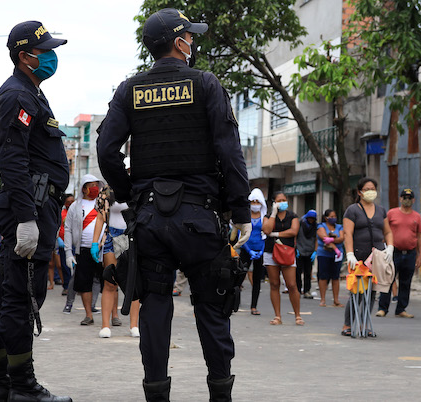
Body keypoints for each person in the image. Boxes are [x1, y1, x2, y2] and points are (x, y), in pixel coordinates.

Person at [96, 9, 251, 399]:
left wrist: (132, 192)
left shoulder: (130, 89)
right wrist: (242, 210)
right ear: (180, 42)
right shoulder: (206, 84)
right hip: (201, 217)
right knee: (212, 307)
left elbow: (106, 150)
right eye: (190, 37)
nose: (193, 43)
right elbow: (229, 152)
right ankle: (220, 394)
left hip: (150, 219)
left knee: (154, 307)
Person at [0, 21, 71, 401]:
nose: (50, 56)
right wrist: (28, 219)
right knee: (20, 297)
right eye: (44, 50)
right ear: (24, 56)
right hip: (29, 206)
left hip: (33, 204)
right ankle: (22, 387)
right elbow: (13, 161)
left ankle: (0, 384)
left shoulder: (30, 92)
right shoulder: (18, 95)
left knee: (4, 294)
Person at [341, 177, 393, 336]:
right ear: (360, 192)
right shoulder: (353, 210)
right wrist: (349, 254)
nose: (370, 192)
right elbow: (347, 233)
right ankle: (347, 325)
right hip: (358, 256)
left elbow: (388, 231)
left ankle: (365, 324)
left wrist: (390, 247)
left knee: (371, 293)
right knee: (357, 292)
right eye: (367, 189)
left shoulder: (381, 210)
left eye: (373, 189)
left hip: (376, 256)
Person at [91, 187, 141, 338]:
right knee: (110, 282)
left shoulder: (139, 186)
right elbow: (100, 218)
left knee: (134, 282)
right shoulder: (106, 190)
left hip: (132, 236)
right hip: (112, 236)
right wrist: (95, 242)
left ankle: (134, 325)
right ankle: (105, 325)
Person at [62, 174, 106, 324]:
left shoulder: (103, 203)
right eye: (91, 185)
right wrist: (68, 252)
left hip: (104, 249)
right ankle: (89, 315)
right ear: (84, 188)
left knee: (108, 283)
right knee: (84, 282)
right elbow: (67, 229)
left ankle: (114, 316)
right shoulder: (75, 206)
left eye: (96, 185)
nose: (94, 188)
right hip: (83, 250)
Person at [377, 188, 421, 318]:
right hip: (393, 252)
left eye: (409, 198)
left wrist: (420, 255)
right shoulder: (392, 213)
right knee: (387, 280)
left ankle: (401, 309)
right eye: (404, 197)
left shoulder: (417, 216)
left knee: (405, 282)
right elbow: (384, 231)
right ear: (400, 198)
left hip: (410, 253)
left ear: (413, 200)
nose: (407, 200)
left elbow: (420, 236)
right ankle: (383, 308)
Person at [261, 191, 302, 325]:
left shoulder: (292, 216)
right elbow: (266, 230)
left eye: (284, 200)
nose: (282, 202)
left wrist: (277, 233)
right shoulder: (268, 216)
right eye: (279, 200)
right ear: (274, 203)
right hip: (271, 252)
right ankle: (277, 316)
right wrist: (273, 213)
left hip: (287, 252)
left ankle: (297, 315)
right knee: (274, 284)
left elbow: (293, 231)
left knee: (291, 284)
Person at [242, 189, 267, 315]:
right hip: (246, 248)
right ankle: (233, 303)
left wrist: (261, 250)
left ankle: (253, 306)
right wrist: (248, 250)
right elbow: (242, 234)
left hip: (259, 250)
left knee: (257, 279)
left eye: (258, 202)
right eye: (253, 201)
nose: (255, 204)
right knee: (239, 276)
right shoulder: (245, 215)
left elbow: (265, 235)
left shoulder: (264, 217)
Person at [316, 209, 344, 307]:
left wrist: (331, 239)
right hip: (324, 254)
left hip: (337, 255)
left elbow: (341, 238)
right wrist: (335, 245)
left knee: (335, 277)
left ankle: (336, 300)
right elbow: (324, 238)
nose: (333, 218)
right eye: (331, 216)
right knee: (323, 276)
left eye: (334, 216)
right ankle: (322, 299)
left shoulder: (339, 227)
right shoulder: (321, 226)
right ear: (326, 218)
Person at [295, 210, 318, 298]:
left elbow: (316, 239)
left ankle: (306, 290)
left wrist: (315, 251)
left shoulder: (315, 226)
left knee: (308, 273)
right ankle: (298, 289)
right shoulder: (300, 223)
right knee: (298, 271)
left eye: (313, 219)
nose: (311, 220)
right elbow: (295, 236)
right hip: (300, 250)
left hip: (310, 251)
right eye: (310, 218)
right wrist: (296, 248)